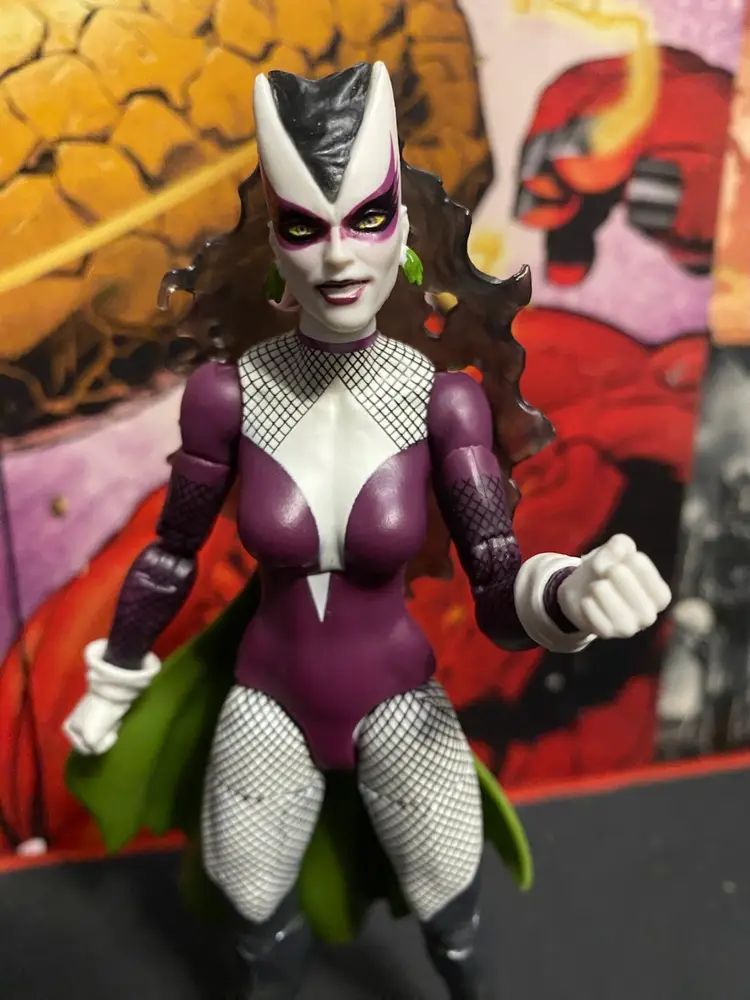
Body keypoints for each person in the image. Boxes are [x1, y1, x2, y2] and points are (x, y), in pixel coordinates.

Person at [63, 62, 671, 1000]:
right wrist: (116, 677)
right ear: (275, 240)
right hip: (264, 703)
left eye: (367, 219)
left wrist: (568, 594)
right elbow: (172, 551)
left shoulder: (442, 403)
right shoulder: (229, 394)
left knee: (454, 921)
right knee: (254, 920)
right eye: (305, 227)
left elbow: (496, 578)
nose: (338, 258)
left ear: (404, 230)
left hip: (399, 704)